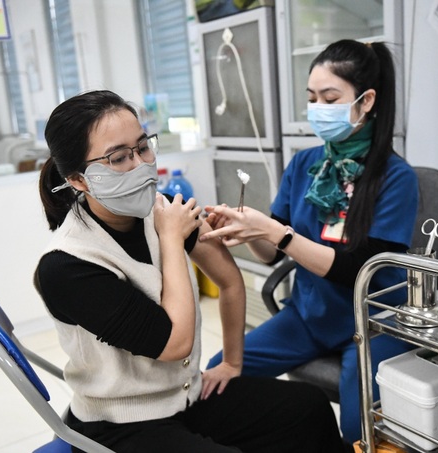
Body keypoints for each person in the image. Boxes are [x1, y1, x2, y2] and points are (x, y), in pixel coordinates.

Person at [35, 89, 351, 453]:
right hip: (120, 424)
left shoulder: (163, 210)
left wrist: (232, 362)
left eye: (143, 147)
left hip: (184, 396)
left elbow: (230, 282)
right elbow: (175, 344)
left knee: (307, 408)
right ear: (78, 179)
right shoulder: (67, 266)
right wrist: (171, 239)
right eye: (119, 157)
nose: (140, 165)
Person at [201, 39, 419, 443]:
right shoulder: (305, 164)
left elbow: (359, 270)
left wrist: (277, 233)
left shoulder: (396, 178)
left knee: (358, 431)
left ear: (366, 100)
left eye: (330, 97)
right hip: (309, 315)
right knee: (219, 374)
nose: (318, 107)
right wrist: (247, 229)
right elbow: (270, 255)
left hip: (371, 322)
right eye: (312, 98)